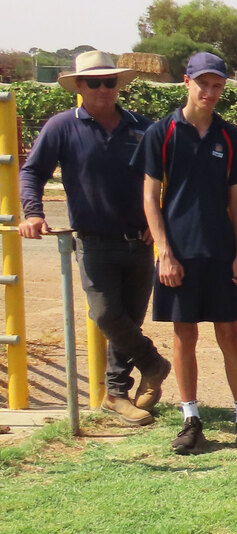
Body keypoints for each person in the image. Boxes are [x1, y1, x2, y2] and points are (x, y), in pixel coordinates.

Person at [20, 50, 168, 427]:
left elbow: (167, 175)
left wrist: (160, 218)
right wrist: (33, 212)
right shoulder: (61, 127)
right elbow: (32, 172)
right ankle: (153, 364)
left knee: (129, 319)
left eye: (109, 81)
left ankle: (116, 395)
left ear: (118, 85)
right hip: (93, 241)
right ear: (80, 86)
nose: (103, 88)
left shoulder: (143, 127)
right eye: (94, 82)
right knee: (105, 314)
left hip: (140, 240)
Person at [134, 53, 237, 454]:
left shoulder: (228, 136)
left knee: (229, 333)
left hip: (221, 252)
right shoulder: (162, 132)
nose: (209, 92)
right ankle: (191, 419)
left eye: (217, 85)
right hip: (179, 255)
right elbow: (151, 197)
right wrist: (164, 252)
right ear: (186, 82)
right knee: (183, 335)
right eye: (202, 83)